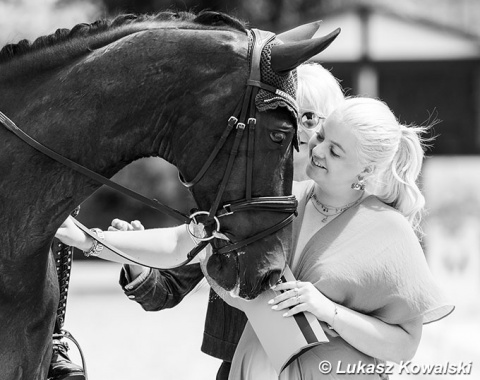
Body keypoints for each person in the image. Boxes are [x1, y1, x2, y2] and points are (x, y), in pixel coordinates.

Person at [54, 63, 345, 380]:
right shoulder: (238, 203)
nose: (297, 130)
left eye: (310, 118)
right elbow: (170, 273)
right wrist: (129, 257)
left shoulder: (352, 210)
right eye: (285, 116)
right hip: (240, 367)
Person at [216, 97, 455, 379]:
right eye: (320, 136)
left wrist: (327, 310)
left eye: (335, 152)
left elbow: (405, 346)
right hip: (253, 368)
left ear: (365, 171)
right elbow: (231, 288)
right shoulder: (277, 200)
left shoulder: (389, 230)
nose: (317, 150)